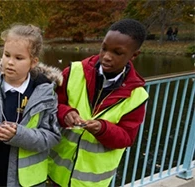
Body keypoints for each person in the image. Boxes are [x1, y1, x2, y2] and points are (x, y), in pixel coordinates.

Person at [48, 19, 149, 187]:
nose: (106, 57)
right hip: (55, 171)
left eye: (117, 53)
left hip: (93, 182)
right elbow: (52, 104)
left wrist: (102, 129)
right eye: (104, 48)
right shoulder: (74, 71)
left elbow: (126, 138)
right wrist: (65, 113)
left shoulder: (137, 96)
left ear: (134, 55)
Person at [0, 24, 62, 187]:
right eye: (7, 55)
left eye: (19, 58)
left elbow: (52, 136)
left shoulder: (46, 95)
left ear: (33, 62)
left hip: (26, 183)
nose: (10, 62)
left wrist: (18, 135)